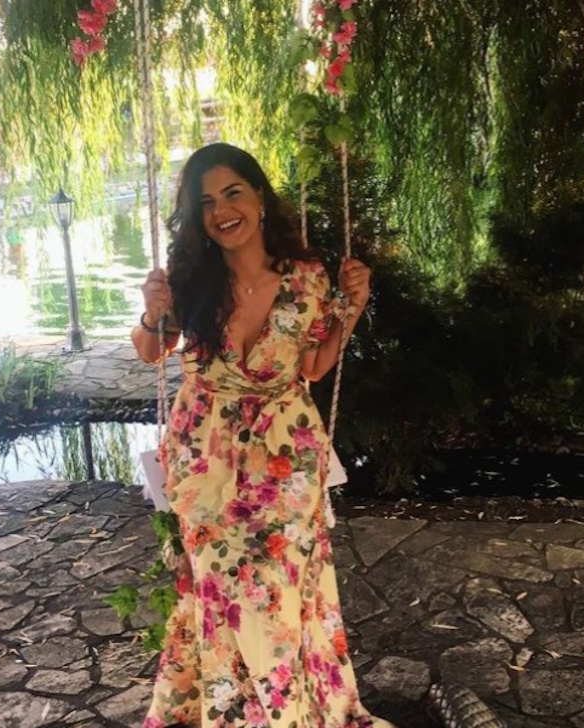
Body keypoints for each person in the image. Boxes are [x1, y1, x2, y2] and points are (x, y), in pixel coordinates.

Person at [133, 143, 391, 728]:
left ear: (259, 197)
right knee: (218, 589)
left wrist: (353, 307)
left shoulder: (306, 278)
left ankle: (283, 715)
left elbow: (315, 366)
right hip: (204, 457)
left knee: (277, 588)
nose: (222, 211)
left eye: (232, 193)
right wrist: (152, 312)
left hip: (285, 455)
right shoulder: (191, 278)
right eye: (206, 203)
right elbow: (152, 351)